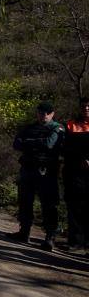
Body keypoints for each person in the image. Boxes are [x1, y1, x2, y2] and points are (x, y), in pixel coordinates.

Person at [6, 101, 65, 251]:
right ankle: (24, 231)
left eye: (46, 113)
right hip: (28, 169)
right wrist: (35, 142)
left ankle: (50, 237)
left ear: (52, 114)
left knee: (49, 204)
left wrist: (29, 142)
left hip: (46, 171)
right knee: (25, 201)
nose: (43, 115)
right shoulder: (30, 127)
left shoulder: (57, 128)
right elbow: (17, 144)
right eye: (40, 112)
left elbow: (49, 144)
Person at [61, 96, 89, 254]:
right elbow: (65, 147)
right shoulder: (70, 125)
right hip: (74, 172)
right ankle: (76, 243)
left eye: (88, 106)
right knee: (74, 207)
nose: (86, 109)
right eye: (83, 106)